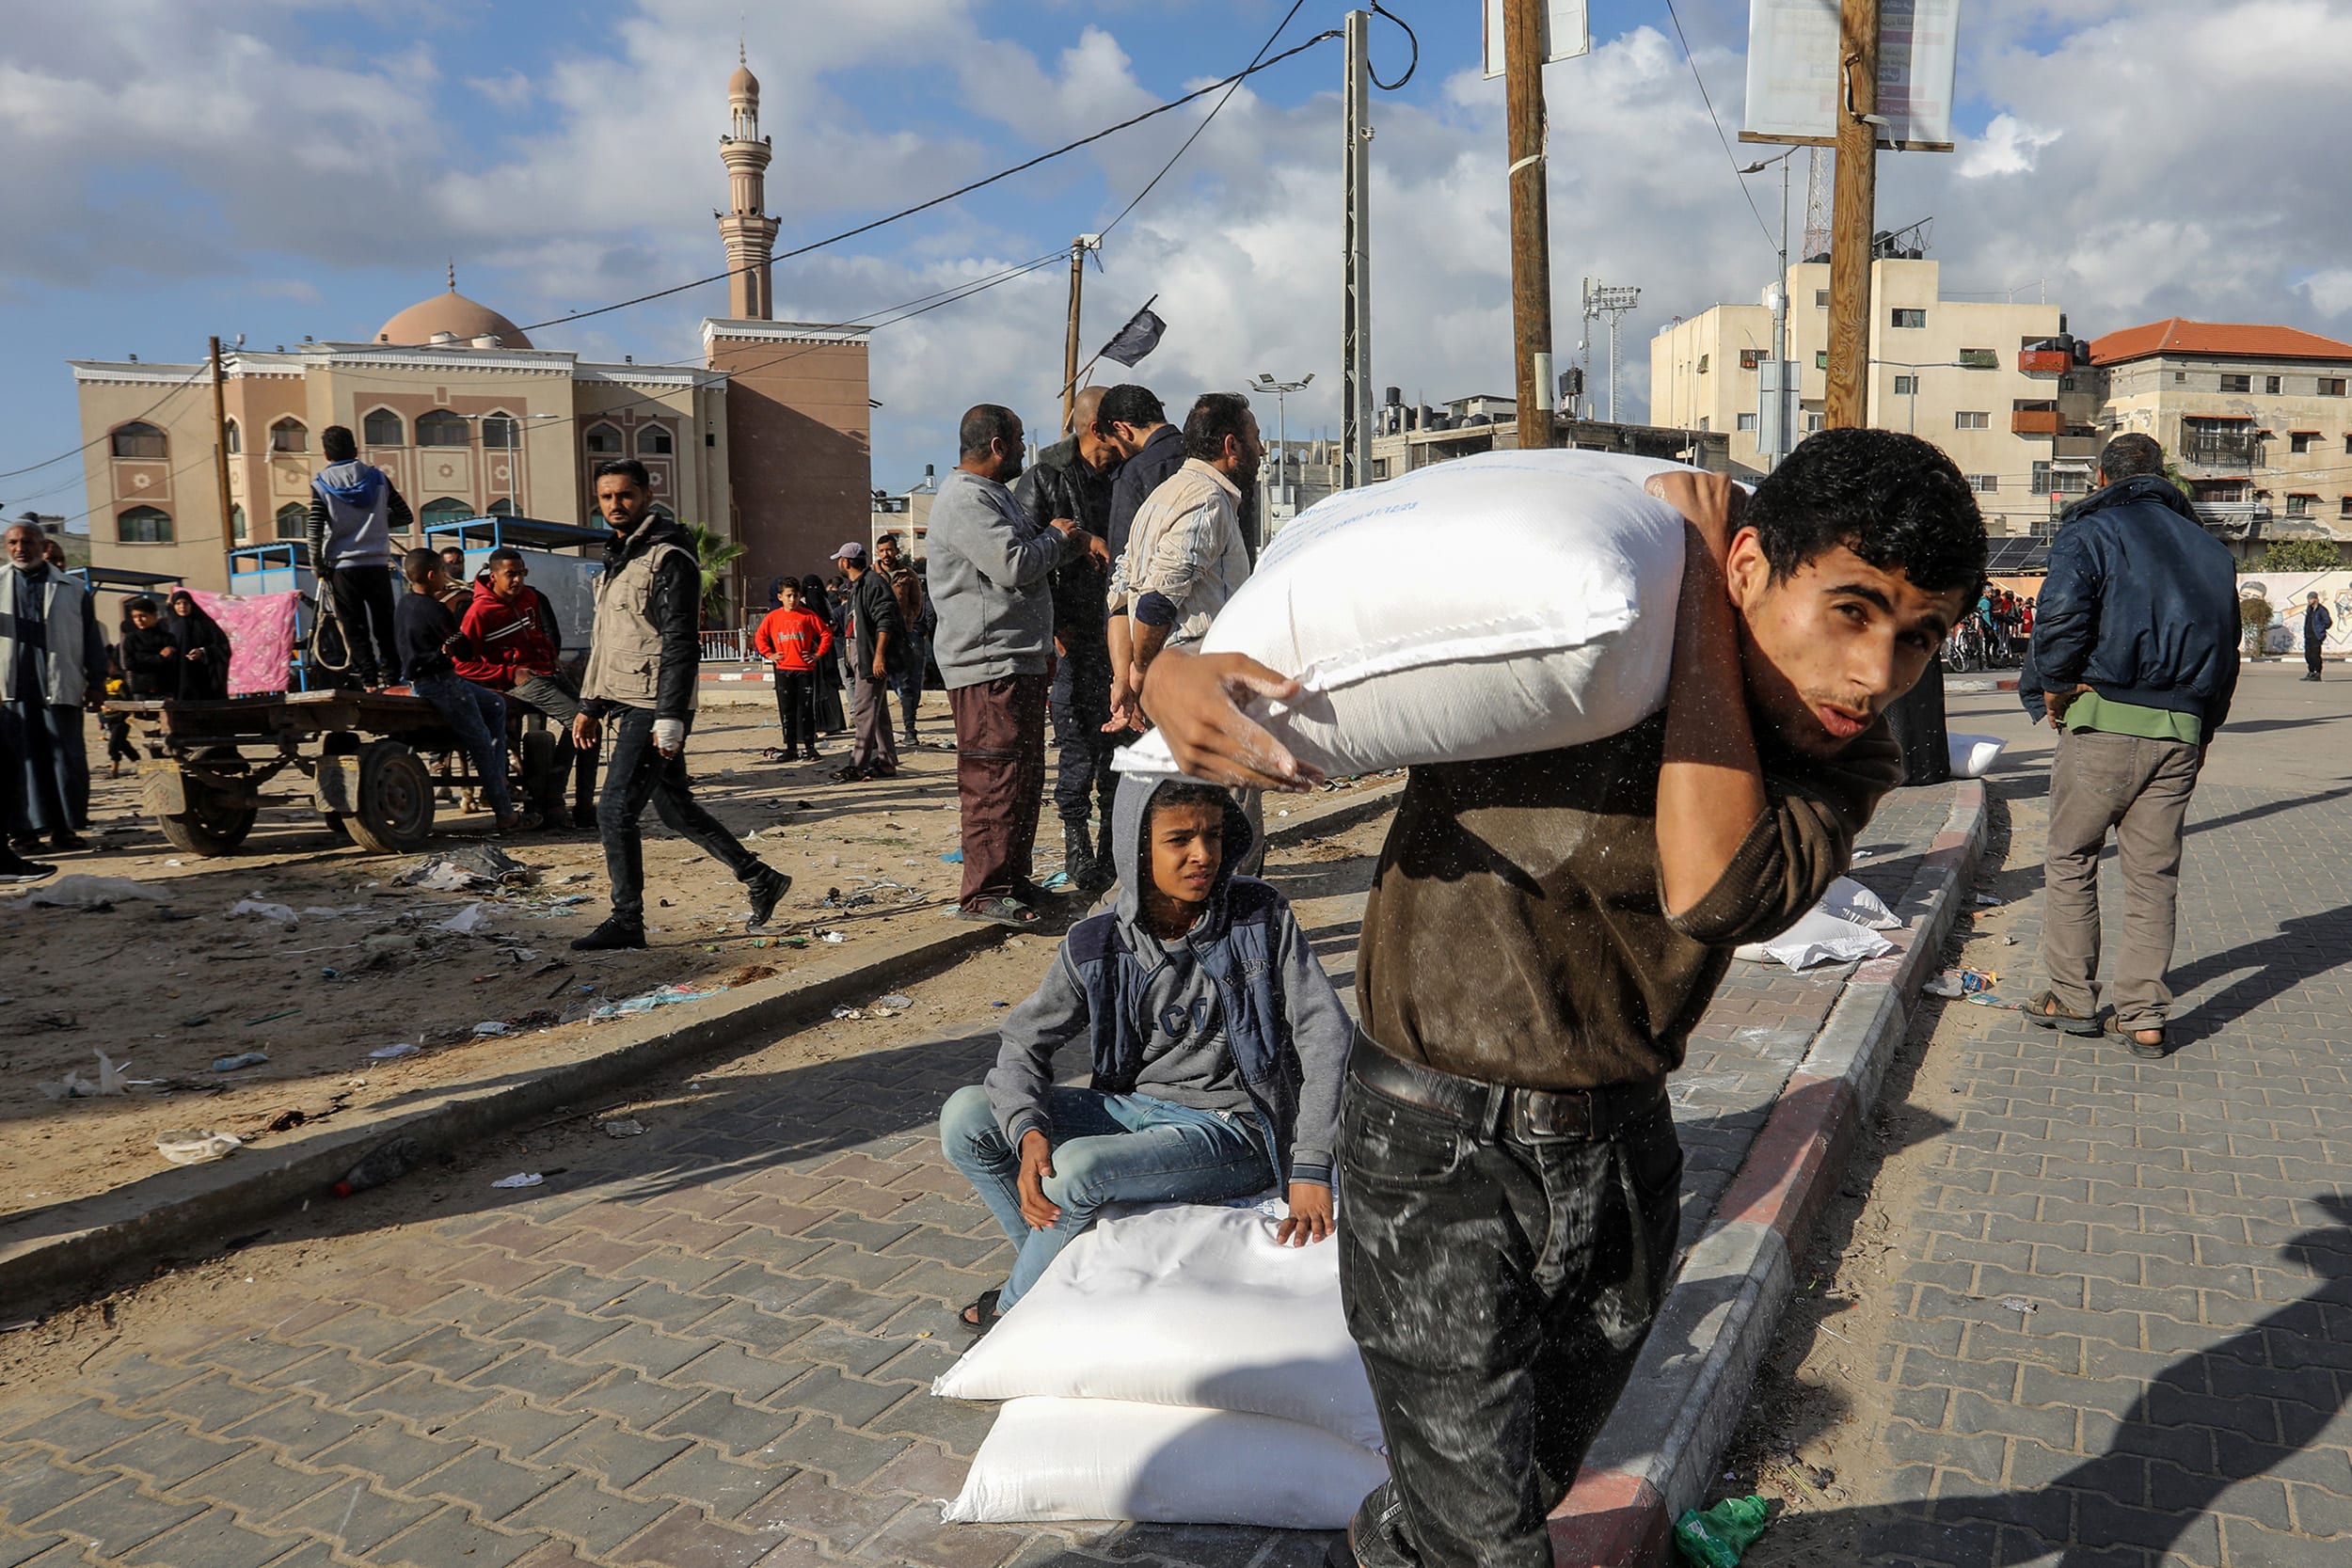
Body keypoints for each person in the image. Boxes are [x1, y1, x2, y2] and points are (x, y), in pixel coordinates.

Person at [1135, 429, 1985, 1568]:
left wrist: (1692, 618)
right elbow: (1254, 660)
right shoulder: (1568, 646)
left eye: (1918, 636)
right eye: (1850, 610)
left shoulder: (1842, 759)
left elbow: (1717, 882)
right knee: (1489, 1543)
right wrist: (1165, 668)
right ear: (1747, 570)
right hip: (1432, 1156)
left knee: (1504, 1491)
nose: (1877, 672)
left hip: (1624, 1156)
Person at [938, 774, 1349, 1332]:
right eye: (1179, 840)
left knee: (1078, 1169)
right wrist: (1027, 1129)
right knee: (967, 1115)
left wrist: (1311, 1166)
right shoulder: (1097, 940)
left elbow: (1325, 1032)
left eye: (1212, 836)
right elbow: (1024, 1042)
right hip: (1135, 1111)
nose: (1201, 855)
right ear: (1136, 849)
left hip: (1234, 1128)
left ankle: (1016, 1316)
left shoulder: (1260, 915)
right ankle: (1049, 1276)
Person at [2026, 434, 2239, 1061]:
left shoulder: (2091, 531)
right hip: (2180, 728)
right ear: (2162, 475)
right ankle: (2144, 1015)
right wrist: (2206, 729)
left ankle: (2072, 997)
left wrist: (2057, 684)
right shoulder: (2210, 548)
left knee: (2071, 856)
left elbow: (2061, 614)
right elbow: (2227, 651)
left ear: (2100, 477)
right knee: (2153, 876)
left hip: (2103, 719)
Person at [567, 458, 790, 952]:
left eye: (624, 495)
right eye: (606, 497)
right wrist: (589, 703)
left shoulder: (669, 556)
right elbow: (608, 641)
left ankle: (627, 920)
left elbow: (680, 640)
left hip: (652, 702)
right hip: (623, 697)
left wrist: (670, 716)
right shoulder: (619, 557)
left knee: (614, 810)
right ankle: (760, 877)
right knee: (674, 808)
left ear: (646, 495)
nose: (614, 505)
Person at [926, 404, 1107, 927]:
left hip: (1018, 662)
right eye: (1022, 440)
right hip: (987, 665)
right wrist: (1056, 535)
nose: (1028, 449)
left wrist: (1072, 541)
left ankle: (1013, 882)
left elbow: (1037, 548)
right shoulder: (964, 500)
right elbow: (1015, 563)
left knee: (1022, 779)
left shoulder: (994, 495)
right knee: (992, 780)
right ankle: (983, 895)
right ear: (998, 445)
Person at [1111, 391, 1265, 873]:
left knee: (1190, 814)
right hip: (1200, 684)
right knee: (1230, 824)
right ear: (1231, 445)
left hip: (1173, 683)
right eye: (1255, 439)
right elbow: (1157, 600)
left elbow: (1119, 600)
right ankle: (1236, 930)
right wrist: (1137, 673)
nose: (1261, 450)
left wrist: (1127, 678)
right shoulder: (1206, 499)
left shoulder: (1159, 498)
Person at [1012, 385, 1121, 895]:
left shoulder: (1127, 474)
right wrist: (1056, 628)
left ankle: (1112, 849)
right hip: (1073, 637)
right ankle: (1078, 845)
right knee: (1078, 744)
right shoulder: (1046, 479)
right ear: (1097, 427)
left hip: (1121, 634)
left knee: (1120, 747)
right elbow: (1024, 558)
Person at [394, 547, 530, 833]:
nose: (446, 577)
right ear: (432, 575)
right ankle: (505, 813)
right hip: (443, 684)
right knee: (480, 742)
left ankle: (499, 777)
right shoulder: (436, 608)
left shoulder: (405, 604)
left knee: (495, 705)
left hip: (420, 683)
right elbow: (464, 649)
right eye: (443, 571)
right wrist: (450, 648)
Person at [455, 546, 581, 828]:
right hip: (517, 681)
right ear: (494, 576)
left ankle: (582, 802)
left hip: (546, 671)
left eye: (521, 573)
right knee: (577, 720)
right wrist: (510, 672)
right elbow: (461, 666)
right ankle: (553, 795)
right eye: (510, 575)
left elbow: (538, 634)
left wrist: (553, 659)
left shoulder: (529, 598)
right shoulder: (479, 612)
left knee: (592, 717)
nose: (517, 580)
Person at [1, 519, 103, 856]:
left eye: (27, 542)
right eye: (13, 542)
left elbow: (91, 640)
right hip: (11, 690)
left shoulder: (72, 589)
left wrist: (97, 682)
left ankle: (64, 830)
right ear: (6, 547)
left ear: (42, 545)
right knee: (18, 763)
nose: (20, 549)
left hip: (59, 685)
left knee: (64, 763)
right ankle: (24, 833)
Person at [1098, 384, 1186, 736]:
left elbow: (1123, 576)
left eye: (1116, 446)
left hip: (1156, 645)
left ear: (1122, 428)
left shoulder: (1136, 473)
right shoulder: (1207, 461)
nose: (1119, 454)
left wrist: (1126, 675)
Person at [308, 426, 413, 690]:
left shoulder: (321, 484)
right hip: (377, 565)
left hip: (342, 567)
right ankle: (392, 679)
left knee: (354, 629)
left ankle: (368, 682)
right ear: (355, 450)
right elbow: (405, 515)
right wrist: (378, 522)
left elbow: (315, 529)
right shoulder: (378, 477)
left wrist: (317, 564)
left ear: (326, 454)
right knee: (385, 625)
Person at [832, 541, 905, 783]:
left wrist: (879, 656)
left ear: (845, 562)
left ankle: (857, 765)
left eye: (839, 560)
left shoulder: (873, 583)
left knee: (863, 711)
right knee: (878, 712)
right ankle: (887, 762)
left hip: (870, 657)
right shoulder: (858, 586)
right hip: (861, 654)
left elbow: (886, 621)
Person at [752, 576, 832, 762]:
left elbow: (826, 633)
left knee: (806, 710)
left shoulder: (808, 615)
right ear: (780, 597)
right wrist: (769, 654)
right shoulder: (773, 617)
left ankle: (810, 747)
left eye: (795, 596)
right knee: (788, 711)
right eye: (788, 595)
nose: (792, 600)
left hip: (804, 669)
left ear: (800, 596)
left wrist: (817, 654)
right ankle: (791, 748)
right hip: (783, 670)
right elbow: (759, 637)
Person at [875, 533, 931, 750]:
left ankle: (910, 729)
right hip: (879, 636)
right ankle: (876, 734)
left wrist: (908, 623)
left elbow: (917, 603)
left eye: (889, 550)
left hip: (905, 636)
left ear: (896, 550)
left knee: (908, 684)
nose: (886, 554)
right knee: (876, 685)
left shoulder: (908, 575)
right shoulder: (873, 574)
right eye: (882, 551)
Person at [800, 573, 849, 735]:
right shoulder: (823, 600)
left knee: (818, 689)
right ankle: (832, 723)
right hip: (825, 652)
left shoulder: (808, 604)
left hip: (817, 653)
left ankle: (824, 724)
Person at [166, 589, 232, 701]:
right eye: (178, 603)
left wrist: (202, 651)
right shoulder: (170, 625)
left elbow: (223, 646)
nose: (182, 606)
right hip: (179, 676)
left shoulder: (204, 623)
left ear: (191, 605)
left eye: (185, 603)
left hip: (202, 677)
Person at [119, 595, 178, 700]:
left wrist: (141, 657)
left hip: (164, 688)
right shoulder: (131, 639)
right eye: (135, 617)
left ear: (154, 615)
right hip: (140, 690)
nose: (139, 620)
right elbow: (129, 663)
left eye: (143, 616)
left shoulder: (167, 638)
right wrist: (159, 657)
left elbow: (171, 661)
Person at [2303, 591, 2332, 680]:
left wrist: (2321, 628)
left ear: (2316, 599)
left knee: (2315, 655)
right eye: (2308, 598)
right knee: (2308, 655)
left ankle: (2318, 673)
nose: (2309, 600)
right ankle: (2311, 672)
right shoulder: (2309, 609)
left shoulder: (2321, 610)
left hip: (2316, 636)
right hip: (2308, 635)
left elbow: (2328, 622)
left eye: (2311, 598)